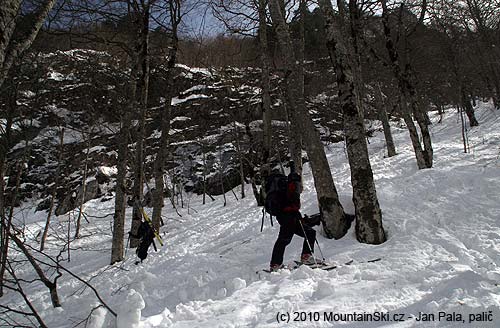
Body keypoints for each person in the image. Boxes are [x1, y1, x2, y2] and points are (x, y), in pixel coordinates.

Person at [269, 168, 320, 271]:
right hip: (289, 217)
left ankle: (304, 257)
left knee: (309, 233)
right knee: (284, 240)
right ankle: (276, 264)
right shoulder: (291, 185)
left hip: (286, 217)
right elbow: (293, 203)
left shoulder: (283, 187)